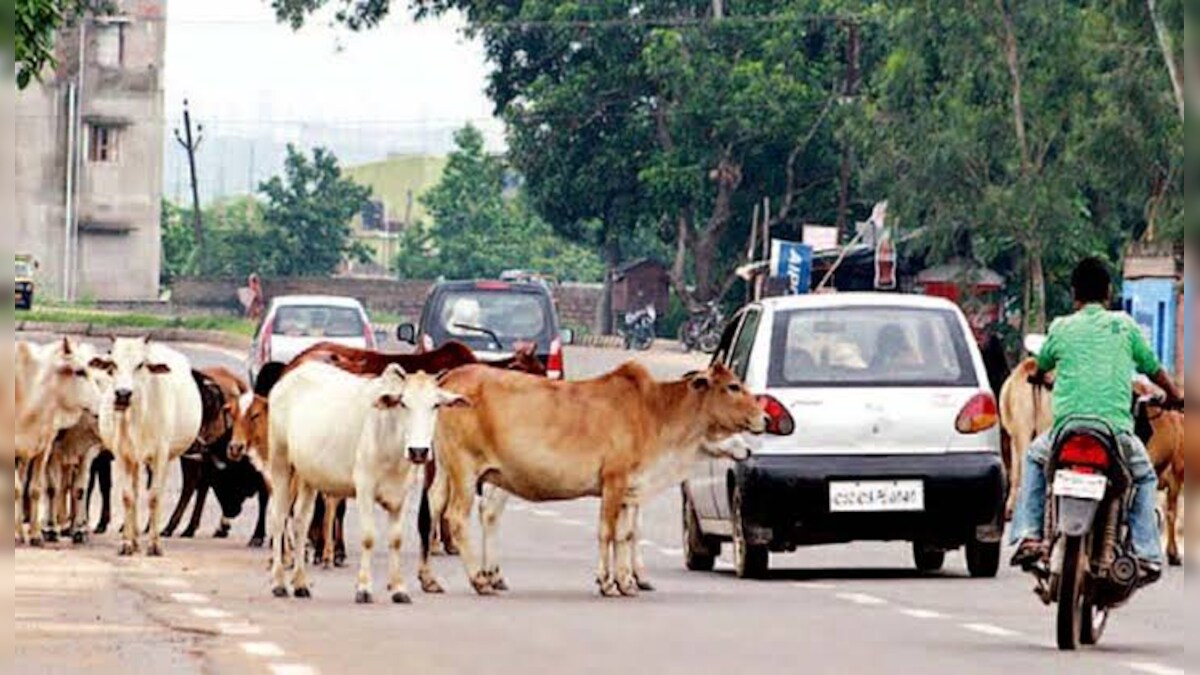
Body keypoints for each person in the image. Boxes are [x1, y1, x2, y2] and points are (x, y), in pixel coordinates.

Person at [1009, 257, 1184, 582]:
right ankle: (1146, 552)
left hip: (1066, 431)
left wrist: (1043, 377)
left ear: (1074, 295)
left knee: (1033, 458)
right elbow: (1153, 369)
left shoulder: (1061, 327)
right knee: (1144, 478)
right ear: (1108, 293)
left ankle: (1029, 534)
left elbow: (1043, 362)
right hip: (1115, 434)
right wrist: (1175, 395)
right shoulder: (1125, 326)